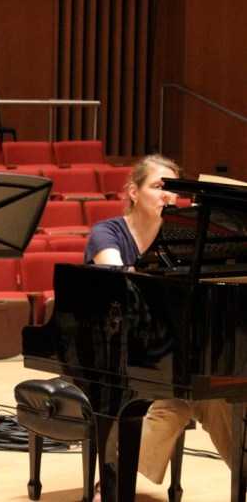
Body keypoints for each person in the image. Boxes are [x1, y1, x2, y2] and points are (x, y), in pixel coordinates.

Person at [84, 154, 232, 492]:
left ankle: (243, 479)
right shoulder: (107, 232)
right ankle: (116, 474)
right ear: (134, 192)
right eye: (157, 187)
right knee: (179, 403)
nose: (167, 196)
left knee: (216, 398)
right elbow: (117, 277)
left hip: (164, 353)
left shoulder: (181, 239)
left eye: (173, 190)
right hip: (117, 350)